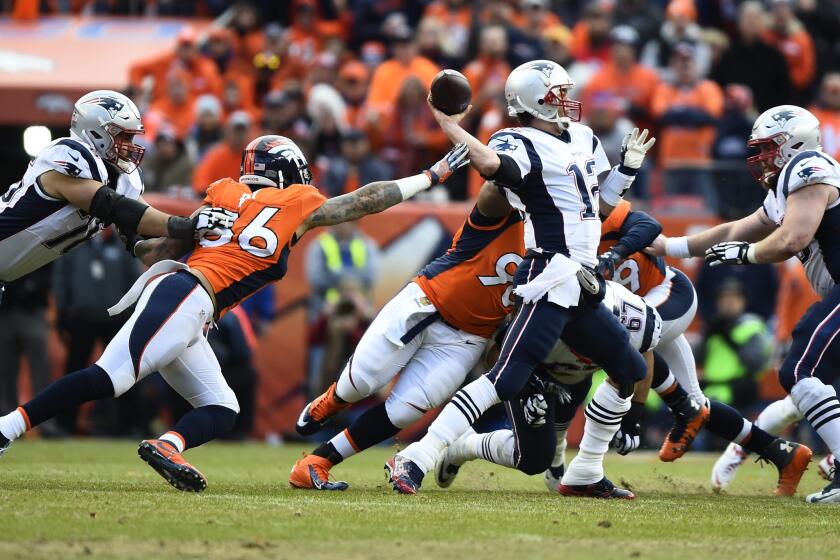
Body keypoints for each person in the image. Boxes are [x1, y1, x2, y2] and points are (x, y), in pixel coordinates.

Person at [0, 135, 470, 493]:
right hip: (187, 295)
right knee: (111, 378)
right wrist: (432, 175)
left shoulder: (222, 193)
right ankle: (8, 427)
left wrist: (144, 230)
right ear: (290, 173)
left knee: (222, 407)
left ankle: (168, 446)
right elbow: (365, 200)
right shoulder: (298, 202)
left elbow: (153, 250)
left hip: (186, 299)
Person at [385, 59, 656, 496]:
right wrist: (448, 125)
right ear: (534, 102)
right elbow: (493, 165)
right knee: (506, 378)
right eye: (557, 96)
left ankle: (585, 472)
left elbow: (600, 203)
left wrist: (627, 169)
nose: (568, 103)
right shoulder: (519, 140)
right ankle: (416, 457)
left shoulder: (583, 137)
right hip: (550, 274)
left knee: (628, 367)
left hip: (582, 281)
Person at [433, 281, 811, 499]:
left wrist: (634, 415)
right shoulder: (565, 236)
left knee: (680, 394)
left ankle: (576, 468)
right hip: (556, 343)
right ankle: (479, 449)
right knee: (538, 454)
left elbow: (650, 339)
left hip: (618, 333)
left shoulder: (634, 243)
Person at [650, 104, 840, 504]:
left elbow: (793, 239)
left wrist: (747, 254)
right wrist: (671, 245)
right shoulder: (786, 184)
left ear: (794, 144)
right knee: (803, 384)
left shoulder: (809, 166)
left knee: (800, 370)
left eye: (768, 148)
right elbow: (737, 228)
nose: (760, 159)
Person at [290, 184, 525, 490]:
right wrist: (514, 175)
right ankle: (333, 400)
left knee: (402, 411)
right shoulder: (510, 210)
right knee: (362, 382)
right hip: (428, 303)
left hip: (467, 339)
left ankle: (316, 462)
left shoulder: (563, 245)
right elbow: (491, 191)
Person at [0, 90, 225, 289]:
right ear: (94, 130)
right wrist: (186, 225)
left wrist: (201, 233)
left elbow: (148, 250)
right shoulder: (69, 154)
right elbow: (114, 207)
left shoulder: (121, 179)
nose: (130, 145)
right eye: (122, 136)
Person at [52, 228, 141, 434]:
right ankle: (66, 423)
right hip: (82, 318)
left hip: (116, 319)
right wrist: (64, 312)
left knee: (124, 370)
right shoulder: (74, 245)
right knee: (74, 370)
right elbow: (61, 280)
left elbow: (135, 281)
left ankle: (130, 425)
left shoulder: (122, 246)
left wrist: (130, 313)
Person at [699, 280, 773, 407]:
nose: (728, 302)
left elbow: (754, 363)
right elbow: (698, 358)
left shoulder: (752, 327)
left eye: (734, 298)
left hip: (739, 396)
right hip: (710, 395)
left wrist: (729, 340)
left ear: (743, 301)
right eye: (724, 298)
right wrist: (705, 338)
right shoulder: (714, 326)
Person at [710, 1, 792, 112]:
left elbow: (784, 94)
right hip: (733, 117)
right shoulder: (728, 55)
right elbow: (717, 89)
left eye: (755, 18)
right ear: (739, 22)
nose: (751, 22)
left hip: (766, 118)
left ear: (762, 23)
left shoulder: (775, 57)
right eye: (747, 18)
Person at [305, 221, 380, 320]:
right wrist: (348, 281)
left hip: (359, 312)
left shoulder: (367, 245)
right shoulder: (319, 245)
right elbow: (315, 279)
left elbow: (371, 277)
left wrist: (336, 276)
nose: (342, 223)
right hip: (326, 312)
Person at [192, 111, 252, 196]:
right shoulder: (215, 154)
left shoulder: (254, 158)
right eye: (236, 131)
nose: (239, 135)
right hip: (217, 202)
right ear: (228, 132)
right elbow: (201, 182)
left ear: (249, 133)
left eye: (242, 131)